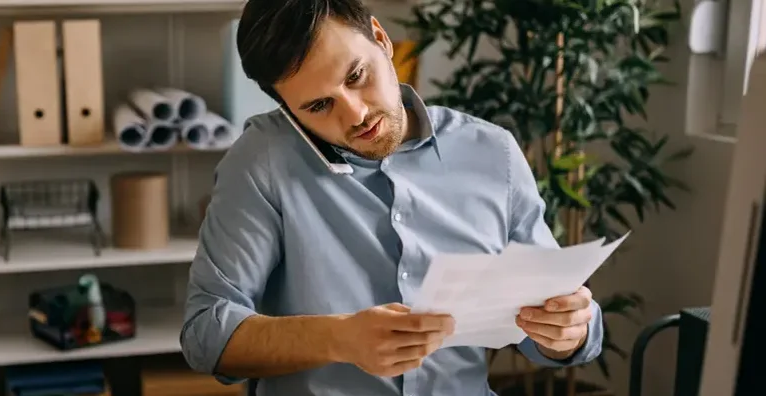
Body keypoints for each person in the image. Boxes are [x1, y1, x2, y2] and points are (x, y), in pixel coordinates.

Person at [179, 0, 604, 395]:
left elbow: (551, 322)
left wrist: (567, 331)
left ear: (381, 39)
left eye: (356, 76)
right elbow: (206, 335)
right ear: (288, 110)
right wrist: (338, 339)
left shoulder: (494, 153)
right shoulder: (262, 162)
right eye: (319, 105)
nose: (355, 115)